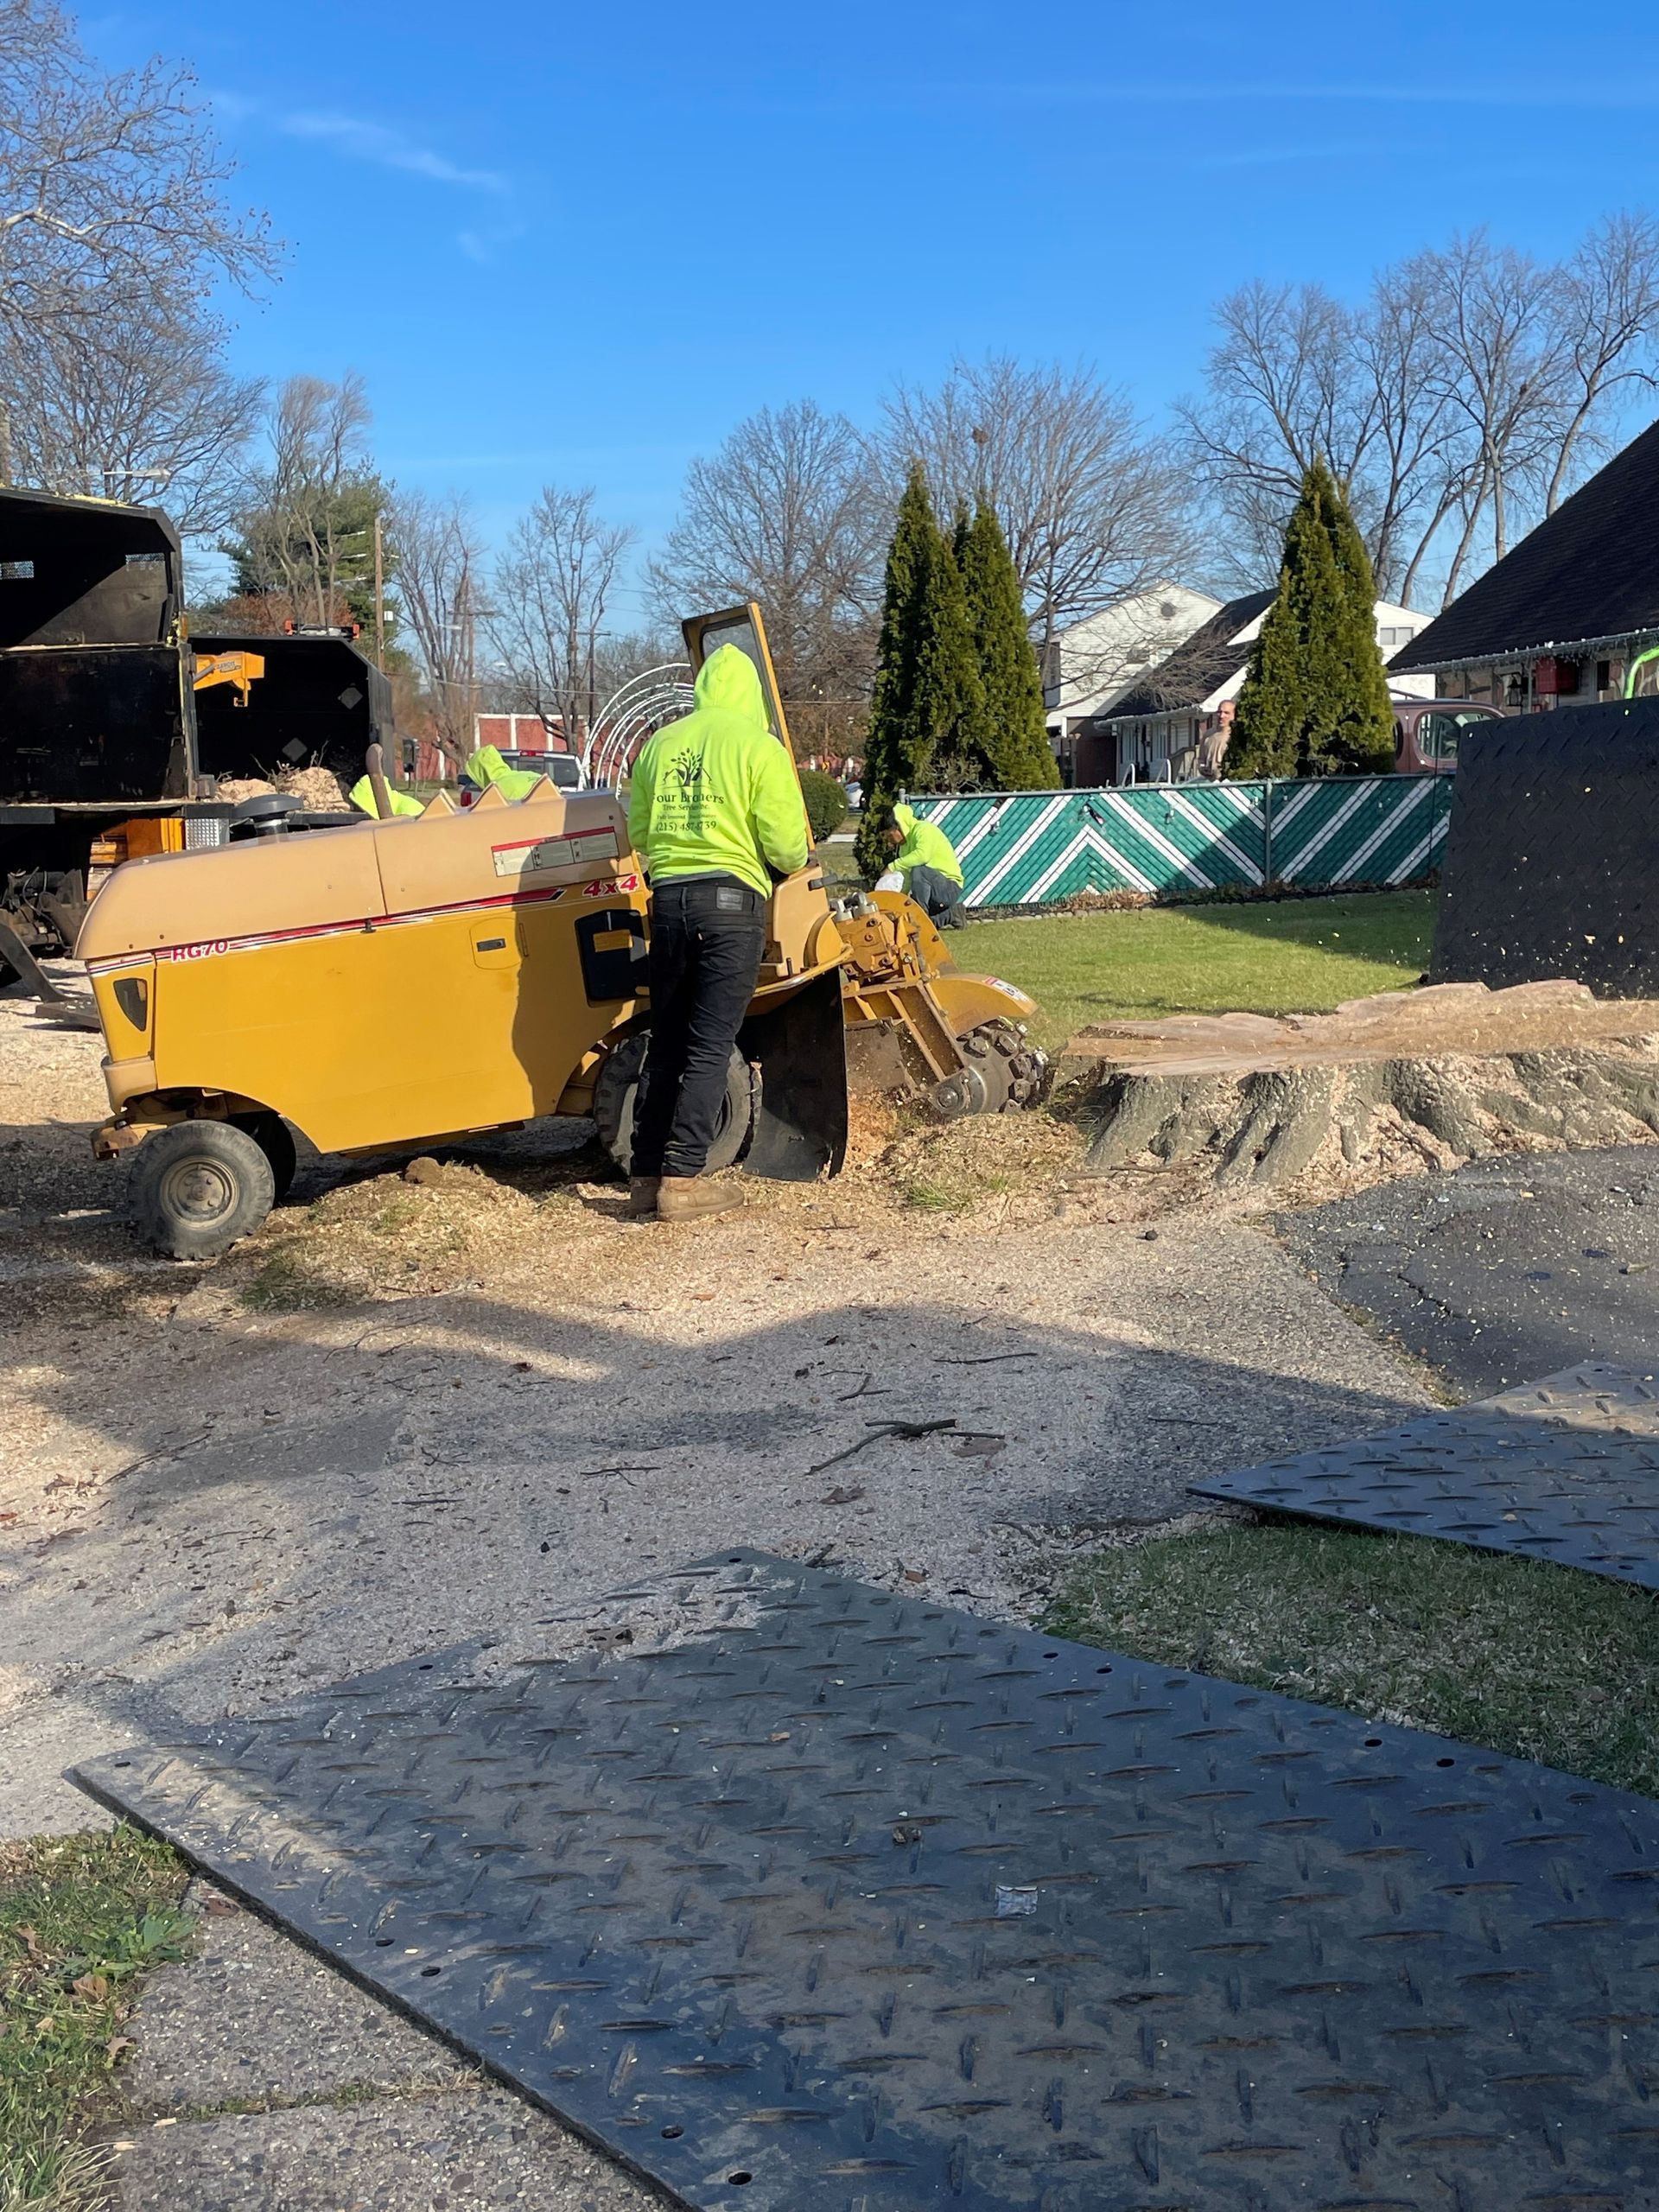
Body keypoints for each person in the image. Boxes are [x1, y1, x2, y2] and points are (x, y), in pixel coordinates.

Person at [626, 645, 810, 1224]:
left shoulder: (660, 744)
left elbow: (638, 830)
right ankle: (683, 1181)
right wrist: (787, 862)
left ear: (702, 687)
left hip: (671, 903)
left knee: (669, 1040)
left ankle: (644, 1177)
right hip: (731, 905)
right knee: (709, 1046)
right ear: (750, 694)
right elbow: (784, 843)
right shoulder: (760, 747)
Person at [872, 803, 966, 926]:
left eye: (889, 835)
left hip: (949, 888)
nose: (889, 840)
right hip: (932, 891)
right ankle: (951, 914)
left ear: (899, 827)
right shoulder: (903, 848)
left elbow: (923, 856)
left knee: (919, 870)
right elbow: (905, 879)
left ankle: (919, 917)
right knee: (912, 925)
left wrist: (892, 866)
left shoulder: (924, 830)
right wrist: (898, 903)